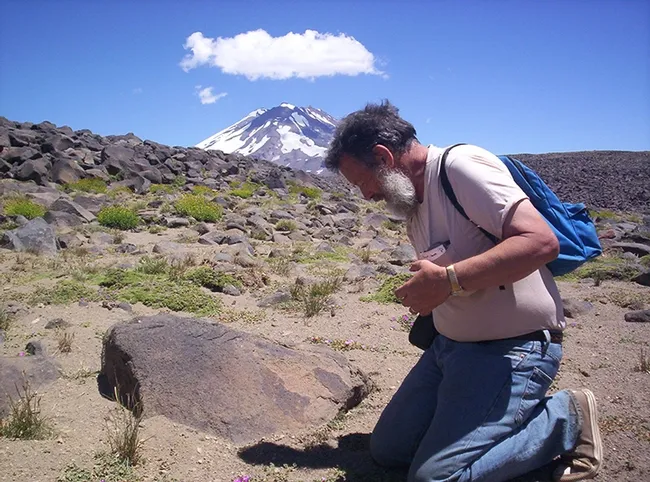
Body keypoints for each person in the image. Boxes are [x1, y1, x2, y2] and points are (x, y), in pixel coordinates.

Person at [323, 100, 602, 482]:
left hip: (511, 349)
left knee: (434, 478)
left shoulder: (461, 168)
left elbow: (540, 242)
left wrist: (448, 281)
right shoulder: (412, 200)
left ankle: (565, 419)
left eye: (361, 183)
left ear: (383, 156)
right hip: (449, 350)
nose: (366, 196)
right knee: (389, 451)